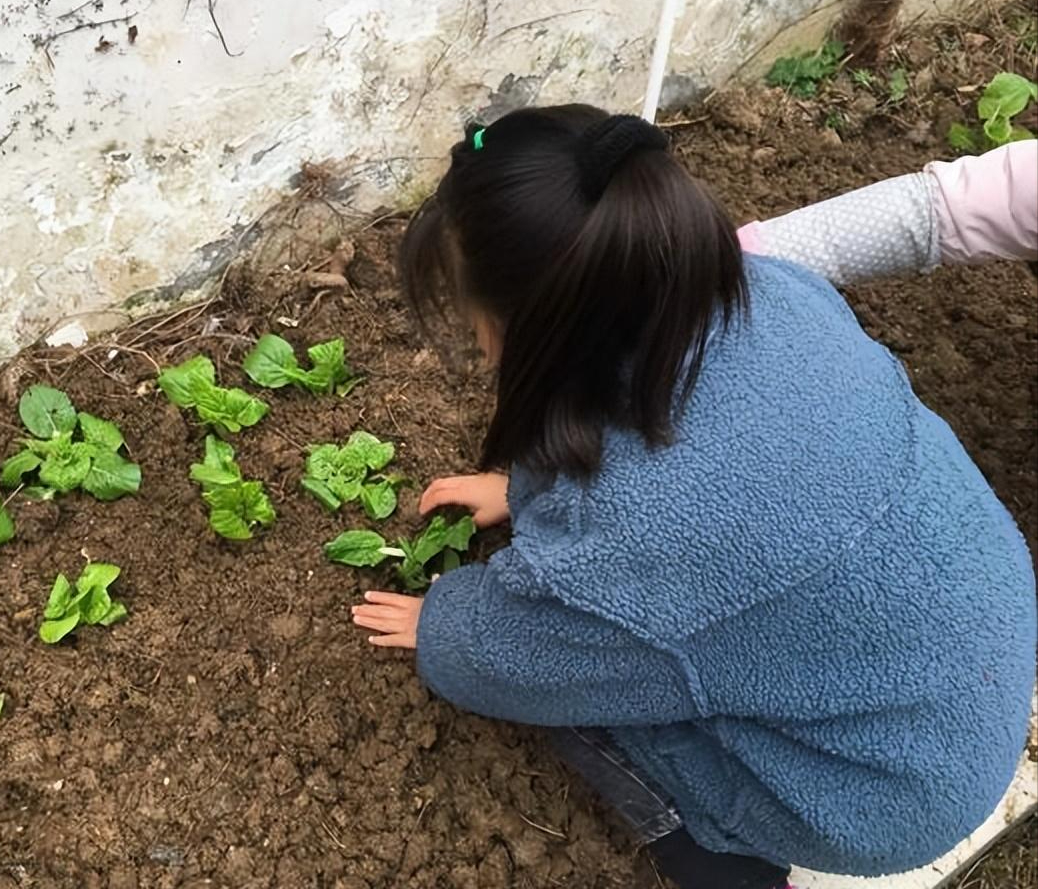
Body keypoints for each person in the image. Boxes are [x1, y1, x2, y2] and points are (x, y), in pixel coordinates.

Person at [347, 104, 1037, 889]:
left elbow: (521, 655)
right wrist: (527, 487)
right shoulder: (766, 290)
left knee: (591, 703)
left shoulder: (640, 530)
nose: (475, 344)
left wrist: (447, 628)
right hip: (983, 649)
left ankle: (732, 869)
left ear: (531, 329)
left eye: (475, 327)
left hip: (883, 796)